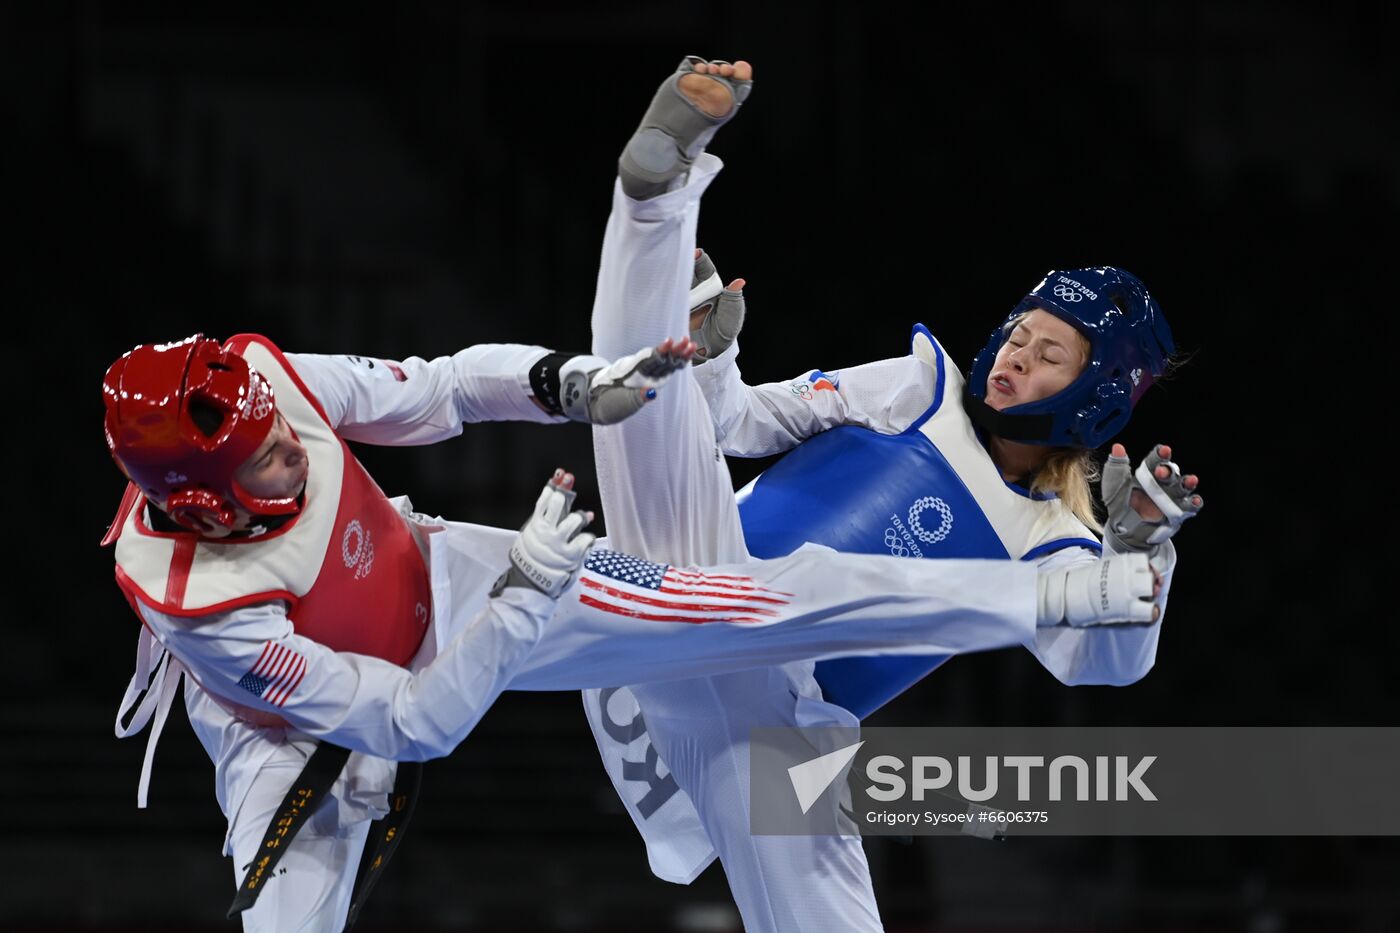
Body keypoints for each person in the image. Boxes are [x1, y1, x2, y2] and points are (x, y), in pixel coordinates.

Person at [102, 333, 1153, 930]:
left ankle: (1042, 599)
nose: (293, 443)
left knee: (762, 602)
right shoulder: (203, 600)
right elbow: (413, 723)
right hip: (298, 721)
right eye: (262, 461)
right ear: (203, 502)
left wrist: (564, 383)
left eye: (282, 428)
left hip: (449, 578)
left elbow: (439, 387)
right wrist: (523, 596)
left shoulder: (260, 380)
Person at [580, 56, 1201, 933]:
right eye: (1019, 334)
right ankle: (656, 196)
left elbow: (1106, 663)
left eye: (1048, 354)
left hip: (761, 720)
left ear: (1095, 398)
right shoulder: (918, 387)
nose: (1017, 356)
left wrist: (1138, 551)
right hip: (687, 591)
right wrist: (712, 356)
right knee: (650, 396)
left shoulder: (1050, 540)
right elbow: (734, 425)